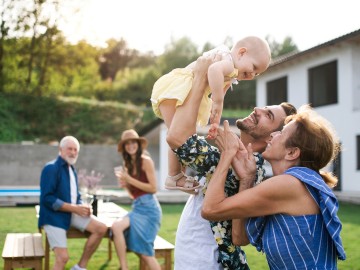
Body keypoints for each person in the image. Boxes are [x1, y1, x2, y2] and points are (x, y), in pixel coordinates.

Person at [166, 55, 297, 269]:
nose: (257, 110)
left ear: (271, 137)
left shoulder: (240, 161)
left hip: (206, 259)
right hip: (201, 255)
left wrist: (200, 77)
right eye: (264, 107)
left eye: (268, 115)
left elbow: (177, 138)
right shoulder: (237, 154)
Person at [202, 106, 347, 269]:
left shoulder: (289, 185)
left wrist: (227, 154)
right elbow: (240, 238)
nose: (273, 135)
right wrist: (247, 180)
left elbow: (210, 210)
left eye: (281, 133)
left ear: (292, 153)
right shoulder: (295, 184)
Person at [151, 36, 271, 193]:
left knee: (186, 136)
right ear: (241, 53)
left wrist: (215, 120)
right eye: (254, 67)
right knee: (179, 134)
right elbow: (213, 71)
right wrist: (218, 101)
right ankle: (174, 176)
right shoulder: (228, 61)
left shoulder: (232, 72)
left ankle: (176, 176)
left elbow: (221, 92)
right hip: (179, 88)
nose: (252, 74)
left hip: (187, 91)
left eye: (256, 74)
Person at [38, 135, 108, 270]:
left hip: (70, 214)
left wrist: (82, 206)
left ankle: (80, 267)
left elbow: (76, 197)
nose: (73, 152)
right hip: (53, 217)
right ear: (60, 149)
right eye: (70, 149)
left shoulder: (72, 170)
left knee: (101, 228)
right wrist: (74, 208)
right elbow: (47, 198)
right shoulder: (51, 168)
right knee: (62, 258)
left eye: (76, 150)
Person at [111, 129, 162, 270]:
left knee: (145, 253)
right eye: (127, 144)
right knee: (116, 227)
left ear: (138, 144)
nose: (130, 145)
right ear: (124, 148)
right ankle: (124, 267)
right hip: (137, 207)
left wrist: (130, 180)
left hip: (150, 210)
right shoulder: (127, 166)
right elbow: (134, 195)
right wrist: (126, 185)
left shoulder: (146, 161)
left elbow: (153, 188)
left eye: (133, 142)